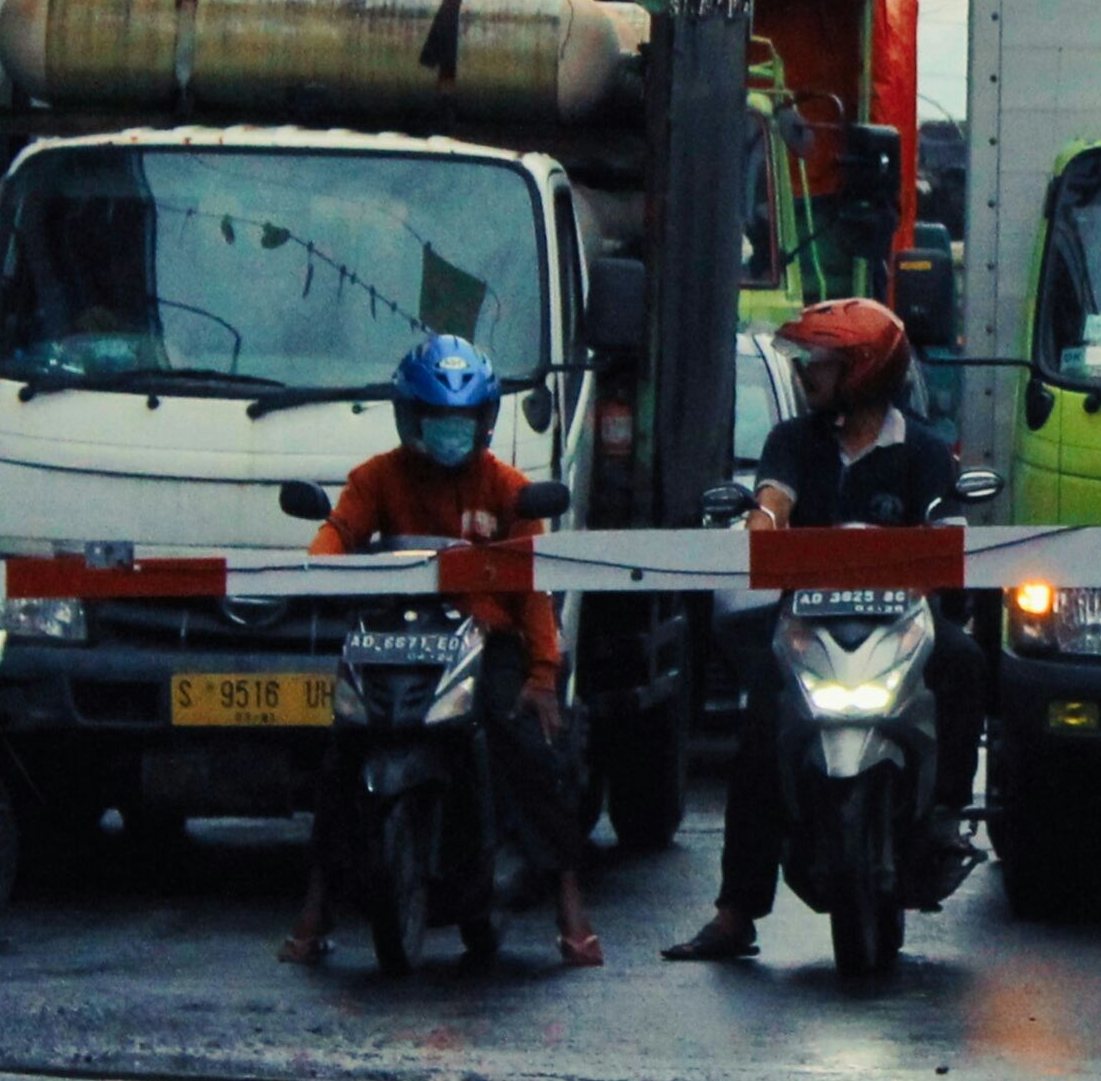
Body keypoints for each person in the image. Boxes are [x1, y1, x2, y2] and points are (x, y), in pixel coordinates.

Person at [667, 297, 982, 963]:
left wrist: (924, 586)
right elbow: (772, 503)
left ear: (864, 371)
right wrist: (760, 529)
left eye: (822, 361)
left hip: (899, 630)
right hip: (807, 627)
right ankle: (735, 911)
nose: (808, 372)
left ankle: (947, 812)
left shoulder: (923, 451)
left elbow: (947, 538)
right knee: (761, 728)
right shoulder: (792, 441)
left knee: (965, 662)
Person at [281, 332, 598, 971]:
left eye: (461, 421)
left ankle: (571, 914)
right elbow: (338, 531)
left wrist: (542, 673)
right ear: (410, 419)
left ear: (481, 423)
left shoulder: (508, 490)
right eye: (437, 420)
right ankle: (313, 916)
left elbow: (533, 593)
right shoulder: (377, 478)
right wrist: (319, 568)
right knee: (342, 752)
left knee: (528, 751)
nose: (450, 433)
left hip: (485, 648)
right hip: (392, 642)